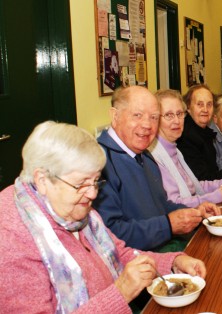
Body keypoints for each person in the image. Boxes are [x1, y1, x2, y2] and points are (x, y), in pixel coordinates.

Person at [0, 121, 206, 313]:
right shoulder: (11, 237)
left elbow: (119, 254)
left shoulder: (76, 209)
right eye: (81, 184)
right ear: (43, 180)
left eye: (96, 181)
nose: (92, 194)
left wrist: (173, 263)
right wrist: (121, 293)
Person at [93, 86, 221, 251]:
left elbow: (161, 205)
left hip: (164, 248)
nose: (147, 125)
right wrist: (168, 225)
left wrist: (194, 211)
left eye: (153, 117)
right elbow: (109, 235)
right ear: (115, 115)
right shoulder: (98, 163)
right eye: (137, 115)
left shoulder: (145, 155)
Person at [149, 90, 222, 207]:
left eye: (180, 114)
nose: (176, 121)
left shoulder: (174, 149)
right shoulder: (154, 156)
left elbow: (195, 186)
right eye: (169, 115)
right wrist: (218, 195)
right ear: (154, 119)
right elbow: (174, 204)